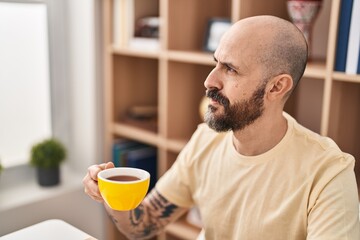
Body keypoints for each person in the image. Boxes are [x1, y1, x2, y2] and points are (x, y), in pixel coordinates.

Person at [83, 15, 360, 239]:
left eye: (231, 69)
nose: (209, 81)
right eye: (216, 63)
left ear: (277, 86)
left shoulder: (329, 173)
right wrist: (111, 191)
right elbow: (145, 224)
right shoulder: (206, 140)